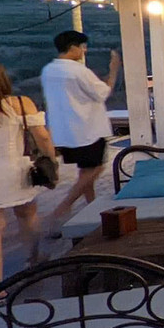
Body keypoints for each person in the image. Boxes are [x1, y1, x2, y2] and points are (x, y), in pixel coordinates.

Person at [40, 30, 120, 230]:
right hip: (87, 129)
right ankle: (62, 208)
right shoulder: (78, 71)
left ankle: (92, 209)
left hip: (64, 131)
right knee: (96, 168)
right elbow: (102, 92)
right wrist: (114, 70)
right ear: (73, 47)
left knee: (85, 172)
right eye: (83, 46)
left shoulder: (49, 70)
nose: (84, 50)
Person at [0, 59, 57, 292]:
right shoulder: (19, 103)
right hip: (15, 172)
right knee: (28, 215)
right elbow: (43, 138)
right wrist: (51, 160)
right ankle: (33, 260)